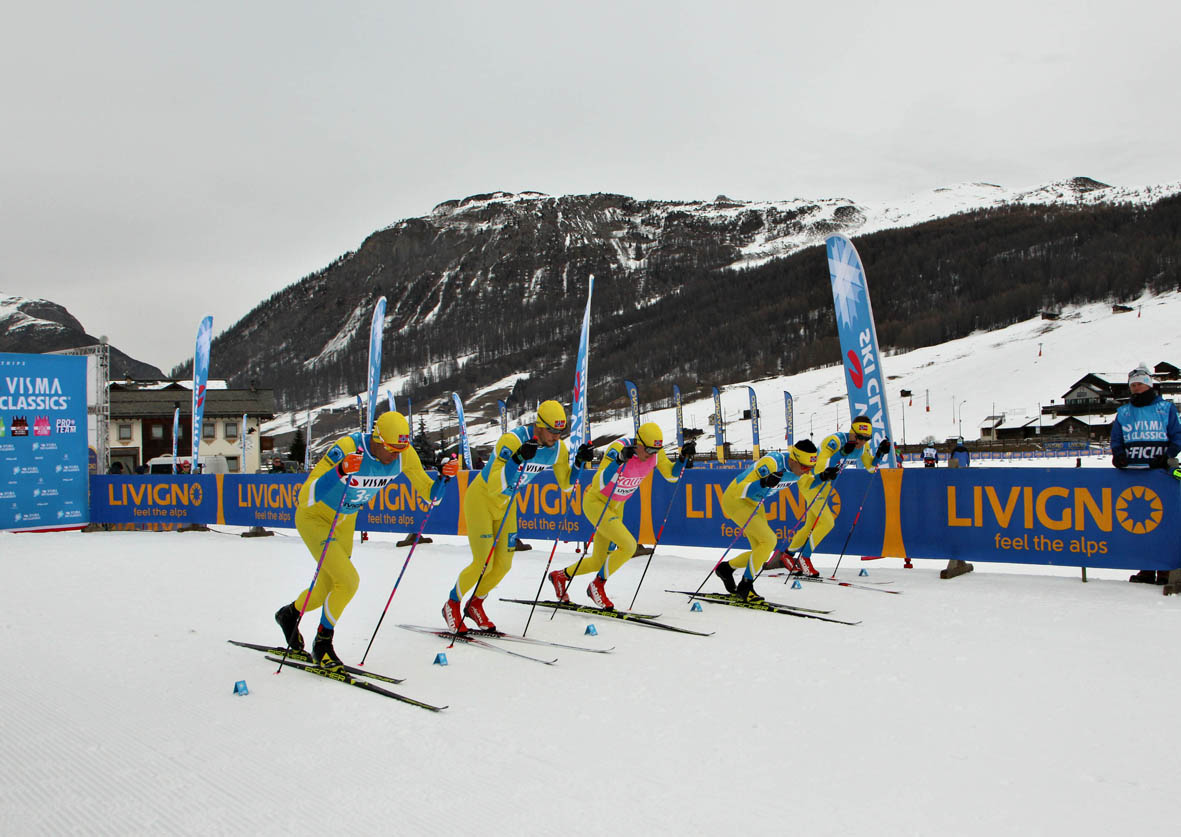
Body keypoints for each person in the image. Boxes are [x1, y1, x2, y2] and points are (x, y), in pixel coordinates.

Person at [274, 411, 457, 667]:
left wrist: (444, 478)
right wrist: (339, 470)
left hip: (344, 520)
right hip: (315, 518)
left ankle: (289, 614)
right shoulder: (349, 447)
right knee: (348, 582)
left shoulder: (404, 454)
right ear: (377, 439)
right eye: (392, 449)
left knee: (329, 587)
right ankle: (322, 642)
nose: (396, 455)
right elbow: (304, 497)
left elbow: (431, 496)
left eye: (401, 449)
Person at [443, 400, 587, 632]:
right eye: (551, 430)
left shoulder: (558, 449)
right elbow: (494, 485)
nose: (555, 436)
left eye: (561, 432)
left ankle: (475, 604)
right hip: (481, 499)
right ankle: (452, 604)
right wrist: (517, 460)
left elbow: (567, 485)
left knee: (503, 565)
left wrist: (579, 463)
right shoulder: (512, 441)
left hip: (507, 504)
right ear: (539, 425)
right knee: (484, 564)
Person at [549, 423, 694, 609]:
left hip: (617, 506)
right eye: (648, 449)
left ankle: (560, 576)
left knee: (598, 561)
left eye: (655, 450)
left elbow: (672, 476)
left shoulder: (655, 453)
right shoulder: (618, 449)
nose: (651, 455)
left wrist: (683, 458)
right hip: (596, 503)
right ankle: (597, 586)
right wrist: (618, 460)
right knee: (629, 546)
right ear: (638, 443)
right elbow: (598, 483)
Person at [782, 416, 890, 578]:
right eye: (859, 437)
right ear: (852, 432)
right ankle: (804, 557)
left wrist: (880, 453)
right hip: (811, 482)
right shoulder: (834, 441)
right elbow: (819, 467)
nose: (861, 442)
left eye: (866, 438)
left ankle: (788, 555)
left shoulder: (862, 447)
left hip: (825, 485)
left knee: (810, 524)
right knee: (826, 522)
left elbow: (870, 468)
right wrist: (840, 454)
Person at [714, 440, 818, 602]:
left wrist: (824, 476)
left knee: (761, 553)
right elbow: (739, 489)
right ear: (793, 460)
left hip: (755, 502)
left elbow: (810, 484)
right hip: (736, 500)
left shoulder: (800, 469)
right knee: (769, 540)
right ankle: (745, 586)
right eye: (805, 467)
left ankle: (726, 568)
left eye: (810, 468)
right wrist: (762, 482)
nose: (807, 472)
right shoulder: (771, 463)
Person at [1111, 364, 1181, 584]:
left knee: (1165, 523)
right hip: (1134, 474)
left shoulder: (1166, 409)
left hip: (1161, 473)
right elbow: (1116, 439)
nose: (1136, 388)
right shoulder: (1123, 412)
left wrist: (1167, 454)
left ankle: (1167, 570)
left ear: (1149, 384)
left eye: (1140, 384)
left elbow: (1177, 436)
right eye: (1132, 385)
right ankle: (1147, 568)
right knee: (1141, 521)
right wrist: (1118, 455)